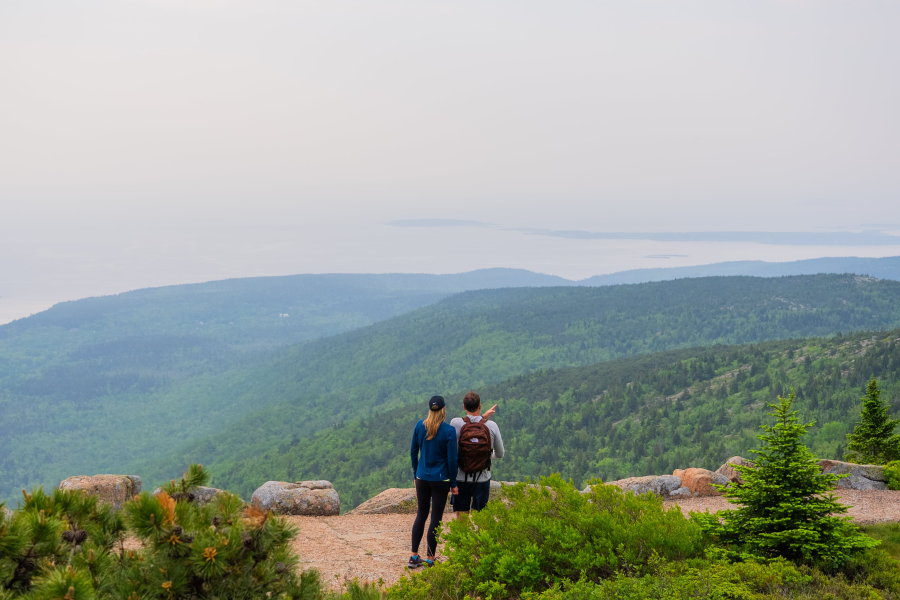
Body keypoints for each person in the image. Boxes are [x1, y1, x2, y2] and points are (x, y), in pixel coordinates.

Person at [408, 395, 458, 568]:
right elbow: (452, 460)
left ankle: (413, 557)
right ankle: (430, 558)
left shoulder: (419, 426)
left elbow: (413, 452)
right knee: (436, 517)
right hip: (441, 479)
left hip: (422, 477)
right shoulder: (449, 431)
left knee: (421, 514)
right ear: (443, 409)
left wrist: (415, 474)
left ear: (430, 409)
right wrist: (453, 483)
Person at [451, 391, 505, 513]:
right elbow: (500, 454)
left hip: (461, 477)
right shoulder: (492, 426)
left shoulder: (455, 423)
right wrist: (488, 453)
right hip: (482, 478)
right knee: (480, 517)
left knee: (461, 517)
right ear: (479, 406)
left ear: (464, 407)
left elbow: (452, 449)